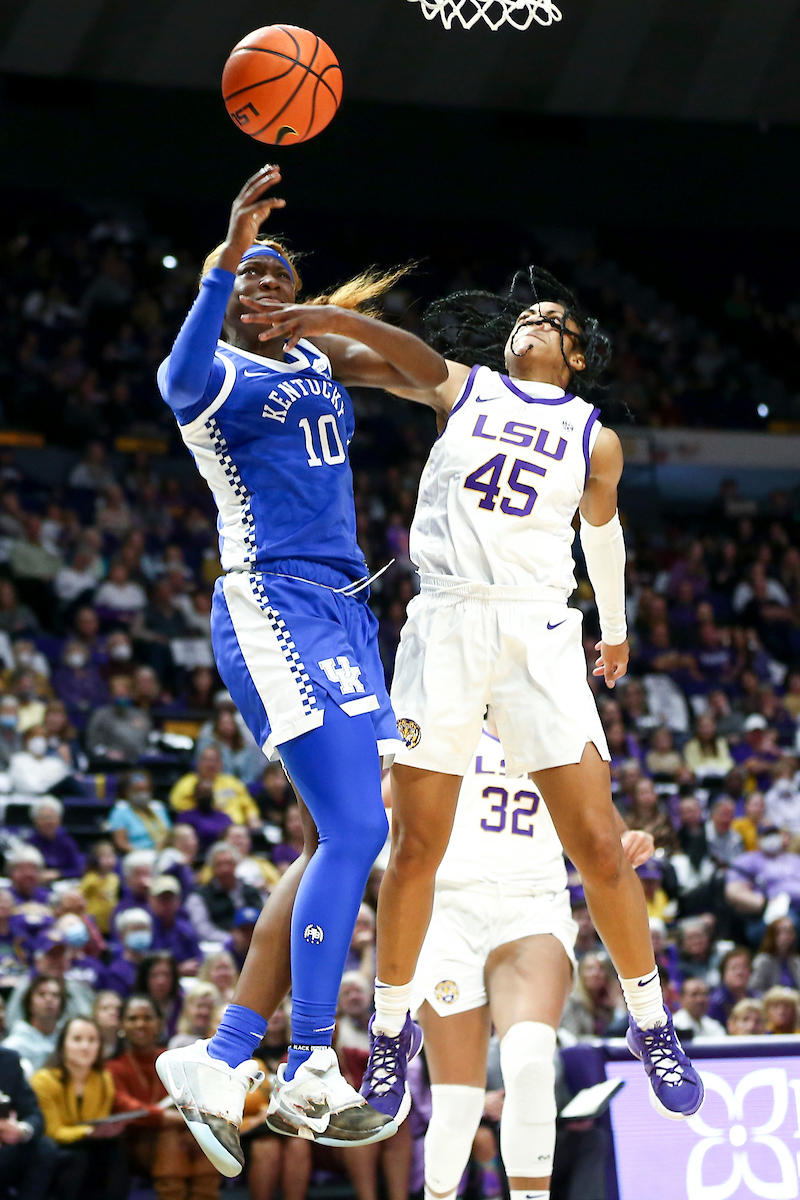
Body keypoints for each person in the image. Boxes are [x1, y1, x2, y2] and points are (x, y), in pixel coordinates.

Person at [153, 160, 449, 1167]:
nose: (267, 286)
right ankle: (311, 1060)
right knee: (358, 828)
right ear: (226, 293)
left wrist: (328, 315)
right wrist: (223, 264)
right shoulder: (219, 373)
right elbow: (174, 381)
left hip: (342, 614)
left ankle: (228, 1053)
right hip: (274, 602)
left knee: (341, 837)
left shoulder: (315, 362)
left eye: (280, 274)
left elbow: (421, 372)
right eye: (252, 277)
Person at [356, 271, 703, 1122]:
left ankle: (651, 1021)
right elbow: (392, 361)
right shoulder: (464, 387)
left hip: (540, 630)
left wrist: (614, 628)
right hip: (445, 621)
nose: (526, 327)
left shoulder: (596, 437)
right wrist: (320, 327)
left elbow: (603, 531)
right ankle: (391, 1028)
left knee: (597, 840)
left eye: (546, 322)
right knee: (414, 848)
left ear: (575, 353)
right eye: (521, 320)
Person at [411, 720, 653, 1200]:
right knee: (457, 1110)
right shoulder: (449, 717)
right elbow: (386, 802)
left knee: (530, 1066)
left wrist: (633, 840)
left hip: (533, 906)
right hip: (450, 912)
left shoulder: (560, 725)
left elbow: (605, 824)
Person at [107, 995, 220, 1200]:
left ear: (159, 1023)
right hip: (137, 1143)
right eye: (133, 1018)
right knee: (176, 1135)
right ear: (122, 1025)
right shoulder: (113, 1067)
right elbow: (127, 1108)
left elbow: (197, 1098)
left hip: (181, 1135)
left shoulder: (174, 1058)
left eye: (147, 1018)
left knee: (195, 1136)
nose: (140, 1023)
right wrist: (184, 1121)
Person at [30, 1016, 130, 1200]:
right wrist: (88, 1131)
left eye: (92, 1040)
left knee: (115, 1151)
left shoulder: (103, 1078)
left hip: (90, 1144)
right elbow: (53, 1131)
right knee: (78, 1158)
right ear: (63, 1044)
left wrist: (107, 1129)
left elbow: (98, 1120)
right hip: (55, 1148)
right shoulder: (43, 1080)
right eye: (77, 1039)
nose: (85, 1047)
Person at [0, 1043, 58, 1200]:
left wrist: (20, 1130)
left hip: (5, 1148)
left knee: (44, 1148)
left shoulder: (8, 1059)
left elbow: (34, 1114)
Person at [2, 976, 67, 1072]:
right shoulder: (13, 1046)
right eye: (41, 994)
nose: (49, 999)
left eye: (55, 995)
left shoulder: (68, 1040)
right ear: (29, 1003)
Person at [107, 769, 172, 853]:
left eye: (146, 790)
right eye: (138, 790)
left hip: (163, 851)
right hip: (138, 853)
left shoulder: (158, 807)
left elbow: (170, 834)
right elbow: (121, 843)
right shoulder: (120, 811)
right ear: (127, 791)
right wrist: (142, 853)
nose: (143, 794)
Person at [27, 798, 84, 882]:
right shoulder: (29, 845)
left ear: (59, 820)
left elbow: (79, 870)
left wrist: (59, 874)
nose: (48, 822)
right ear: (35, 821)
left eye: (51, 817)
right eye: (43, 818)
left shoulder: (67, 843)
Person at [750, 917, 800, 992]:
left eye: (790, 932)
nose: (787, 936)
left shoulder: (796, 961)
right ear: (773, 935)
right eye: (783, 931)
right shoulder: (763, 960)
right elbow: (753, 989)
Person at [168, 985, 222, 1051]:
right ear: (188, 1009)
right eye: (200, 1006)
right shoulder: (179, 1044)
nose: (204, 1012)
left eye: (209, 1007)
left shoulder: (219, 1043)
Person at [92, 991, 122, 1060]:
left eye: (118, 1008)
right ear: (95, 1013)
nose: (113, 1012)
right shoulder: (89, 1042)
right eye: (105, 1008)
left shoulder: (128, 1042)